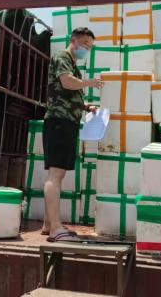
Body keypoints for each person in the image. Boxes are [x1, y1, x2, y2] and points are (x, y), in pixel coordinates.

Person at [42, 27, 103, 242]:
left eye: (90, 47)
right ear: (74, 40)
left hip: (67, 122)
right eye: (85, 44)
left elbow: (67, 93)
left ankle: (48, 224)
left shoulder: (73, 65)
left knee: (57, 174)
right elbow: (66, 82)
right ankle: (55, 228)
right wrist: (89, 82)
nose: (87, 49)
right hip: (59, 122)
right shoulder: (62, 57)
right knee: (56, 174)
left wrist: (86, 107)